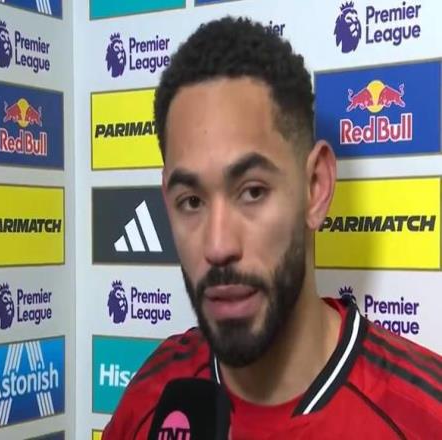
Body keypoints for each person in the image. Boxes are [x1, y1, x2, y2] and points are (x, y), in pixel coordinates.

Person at [102, 17, 442, 439]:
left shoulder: (425, 417)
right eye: (191, 201)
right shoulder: (151, 398)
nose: (218, 246)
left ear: (315, 188)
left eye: (252, 192)